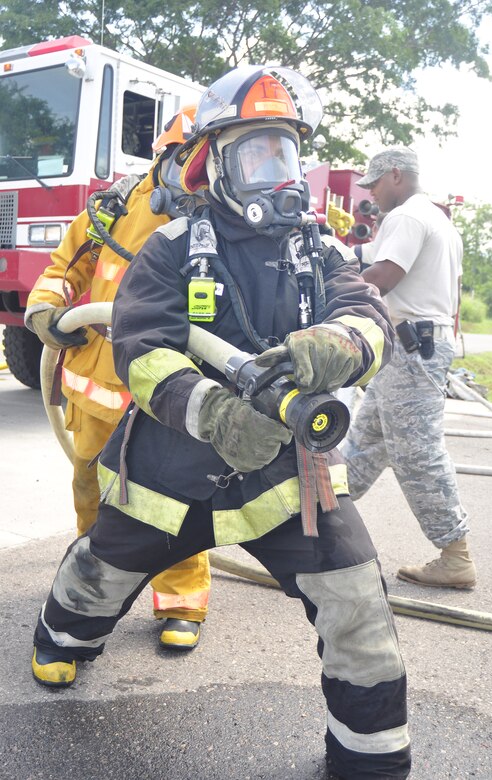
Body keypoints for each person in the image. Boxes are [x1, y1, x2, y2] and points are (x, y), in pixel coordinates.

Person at [30, 66, 411, 779]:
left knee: (356, 602)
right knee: (101, 571)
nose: (276, 170)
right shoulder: (172, 247)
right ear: (215, 162)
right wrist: (213, 412)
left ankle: (372, 757)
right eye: (255, 152)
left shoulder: (319, 249)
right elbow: (142, 350)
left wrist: (341, 343)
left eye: (285, 151)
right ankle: (62, 640)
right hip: (169, 472)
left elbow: (368, 312)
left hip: (289, 477)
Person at [25, 106, 212, 655]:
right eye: (196, 161)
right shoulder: (116, 207)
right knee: (91, 491)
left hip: (169, 392)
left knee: (174, 501)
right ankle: (90, 591)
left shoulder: (216, 219)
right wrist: (47, 310)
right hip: (96, 387)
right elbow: (64, 267)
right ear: (169, 154)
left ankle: (181, 601)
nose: (202, 178)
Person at [341, 147, 476, 589]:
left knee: (417, 453)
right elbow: (370, 258)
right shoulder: (436, 218)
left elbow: (382, 277)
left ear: (395, 175)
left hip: (412, 347)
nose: (372, 194)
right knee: (365, 443)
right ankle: (322, 523)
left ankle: (456, 555)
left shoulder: (407, 216)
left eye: (375, 184)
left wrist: (329, 293)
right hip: (411, 346)